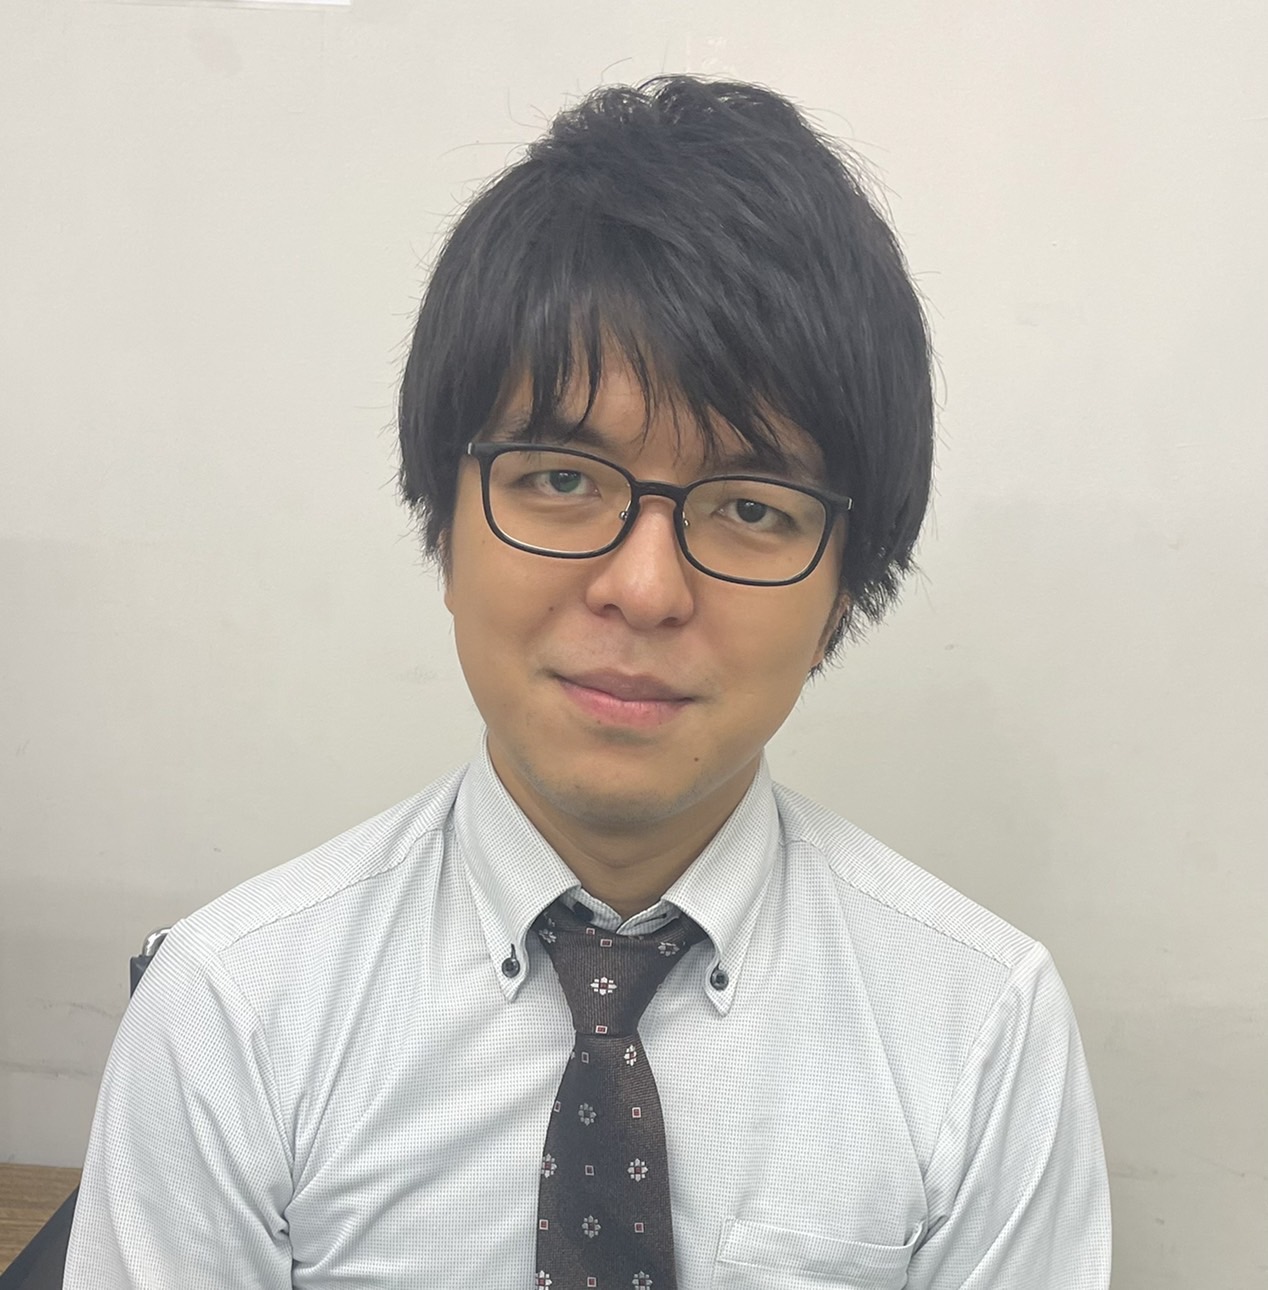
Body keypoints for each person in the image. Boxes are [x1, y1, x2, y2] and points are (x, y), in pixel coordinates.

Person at [65, 77, 1111, 1289]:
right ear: (443, 524)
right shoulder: (234, 1008)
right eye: (560, 479)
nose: (644, 588)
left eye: (751, 507)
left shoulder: (980, 1026)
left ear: (842, 591)